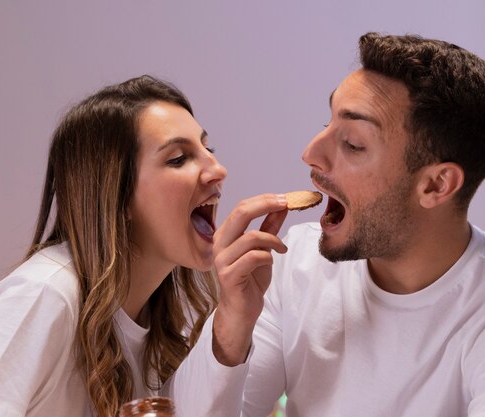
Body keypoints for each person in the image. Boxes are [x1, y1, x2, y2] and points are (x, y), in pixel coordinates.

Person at [0, 74, 238, 417]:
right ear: (117, 196)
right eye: (179, 158)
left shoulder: (156, 328)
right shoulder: (45, 294)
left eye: (207, 149)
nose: (218, 169)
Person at [198, 32, 485, 416]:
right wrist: (232, 325)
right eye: (326, 123)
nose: (310, 154)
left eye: (352, 143)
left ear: (435, 184)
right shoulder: (293, 261)